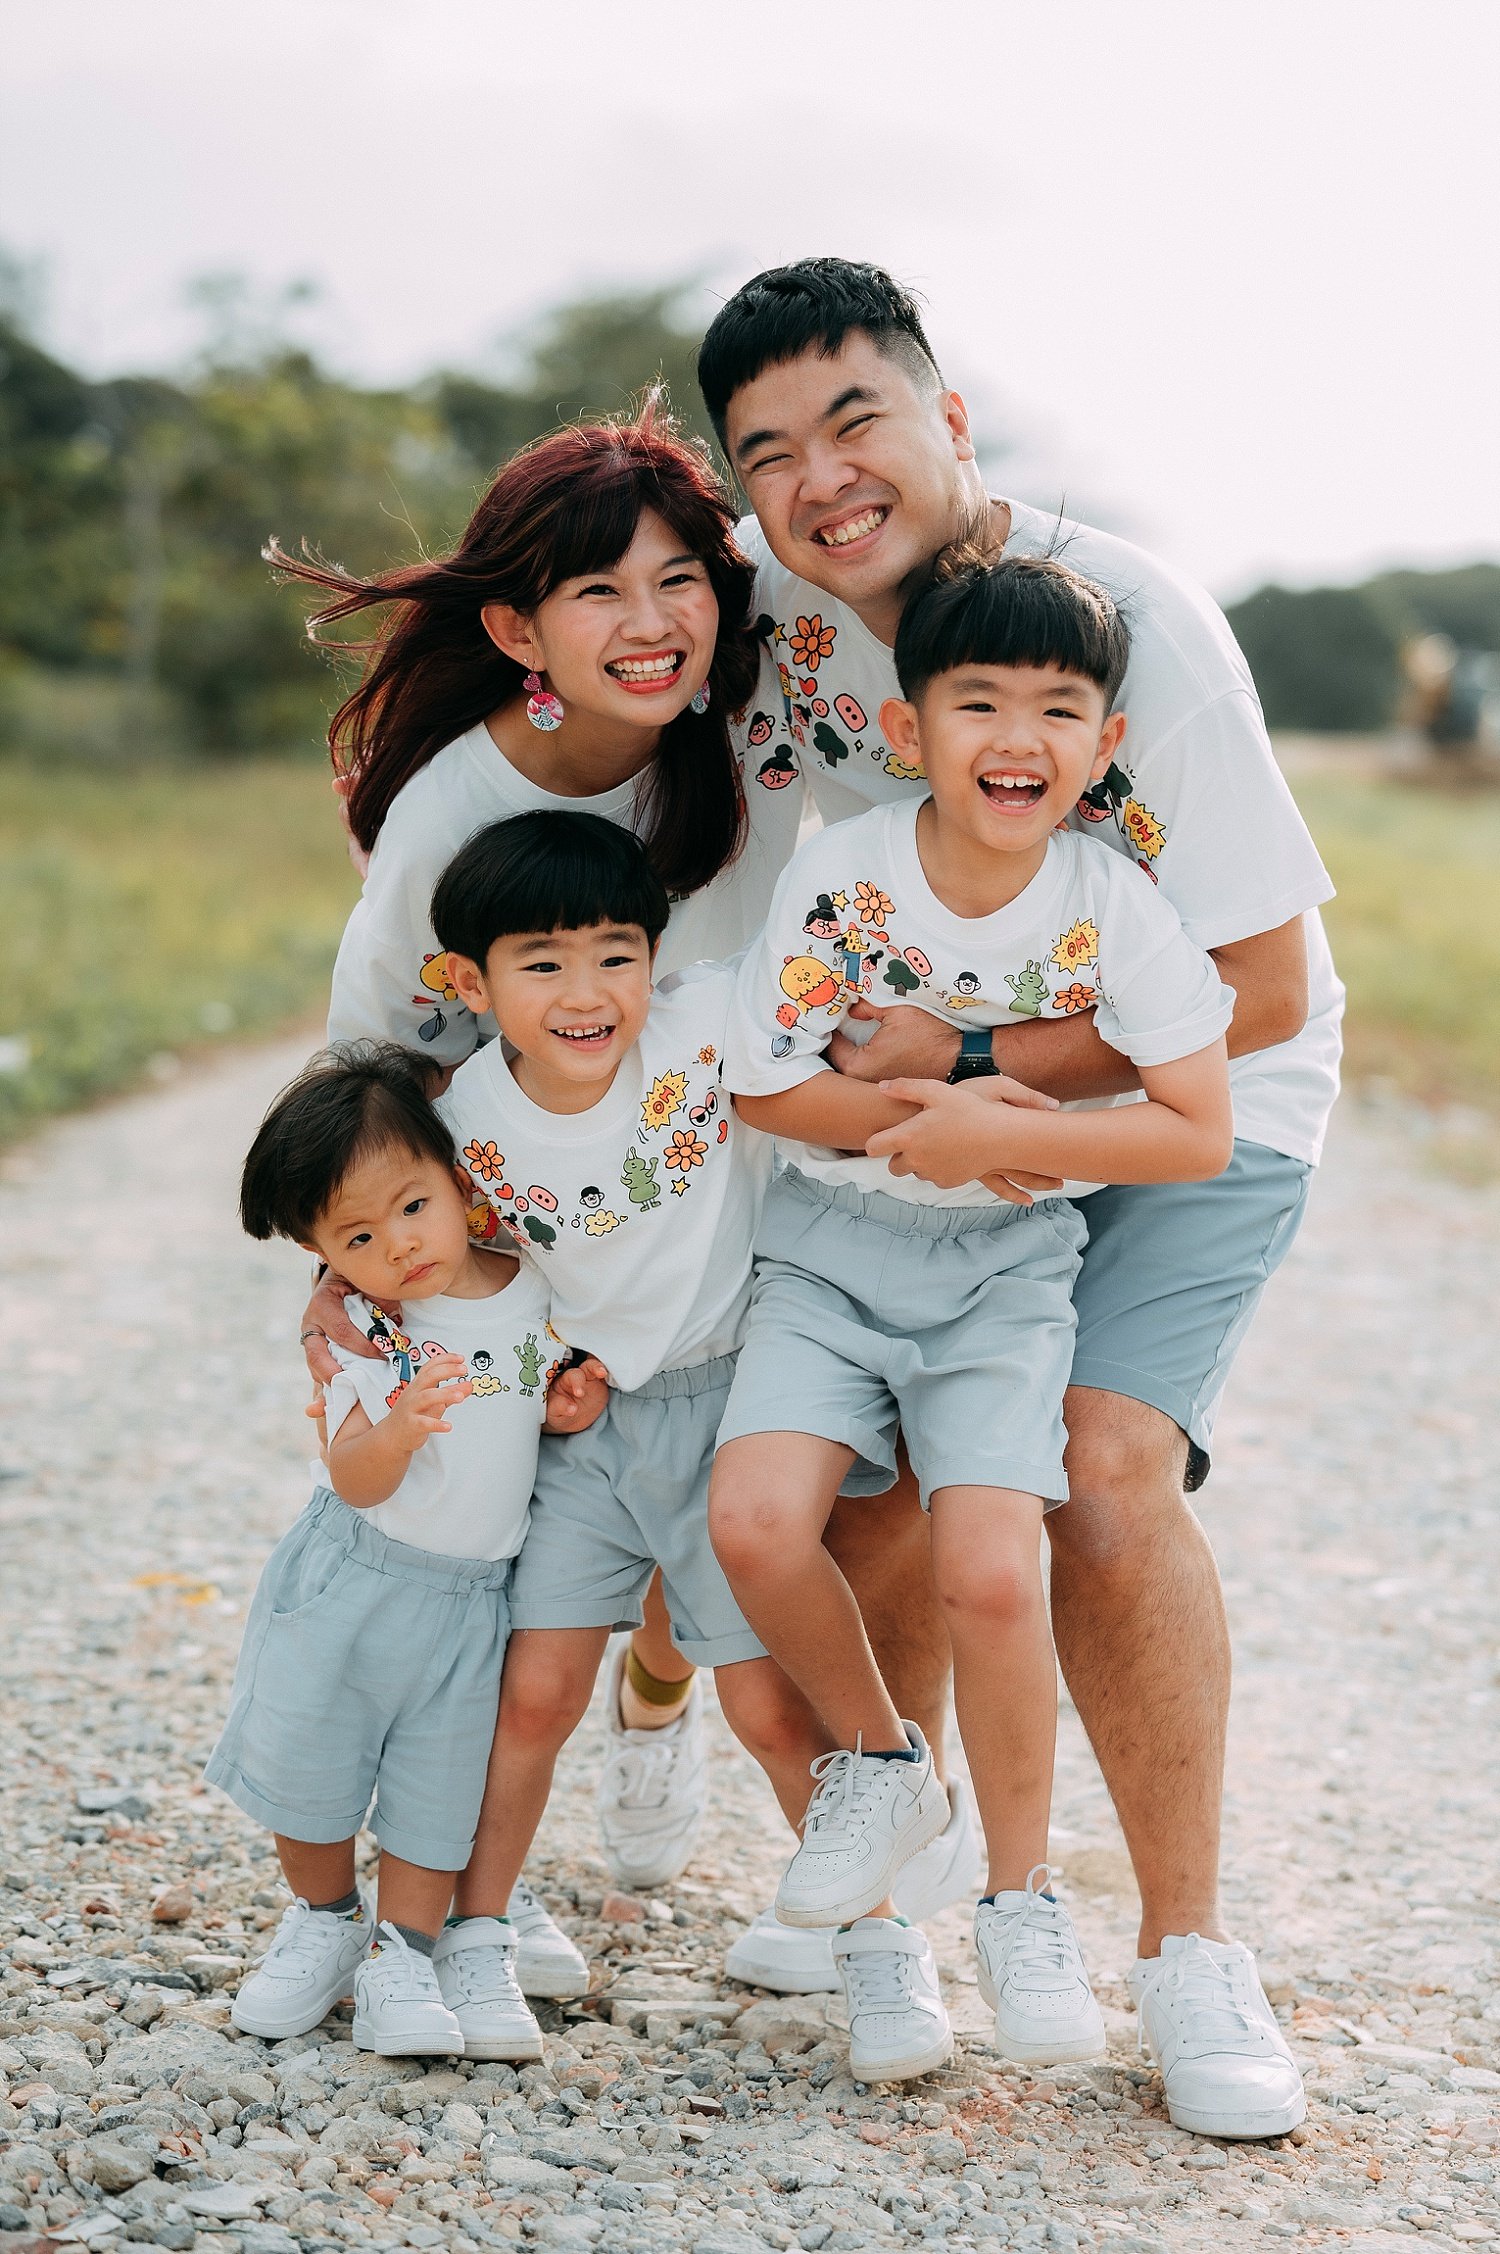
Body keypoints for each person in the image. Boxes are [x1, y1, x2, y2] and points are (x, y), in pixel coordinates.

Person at [692, 258, 1340, 2139]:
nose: (820, 478)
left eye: (855, 417)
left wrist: (978, 1082)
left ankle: (1189, 1951)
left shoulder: (1138, 627)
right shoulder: (791, 630)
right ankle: (888, 1888)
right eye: (768, 455)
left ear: (951, 416)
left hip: (1197, 1086)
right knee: (869, 1466)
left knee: (1097, 1463)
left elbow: (1266, 989)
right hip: (924, 1094)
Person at [710, 550, 1236, 2082]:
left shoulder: (1112, 905)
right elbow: (760, 1081)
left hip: (1005, 1274)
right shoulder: (849, 871)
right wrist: (918, 1113)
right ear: (917, 719)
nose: (1020, 735)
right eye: (980, 700)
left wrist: (1003, 1130)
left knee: (997, 1567)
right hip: (832, 1246)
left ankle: (1022, 1896)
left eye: (1060, 708)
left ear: (1104, 745)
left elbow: (1196, 1128)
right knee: (757, 1522)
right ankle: (881, 1761)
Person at [289, 406, 819, 1916]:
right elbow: (371, 1057)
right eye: (599, 592)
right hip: (540, 1205)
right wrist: (358, 1281)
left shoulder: (748, 737)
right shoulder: (460, 806)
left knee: (718, 1500)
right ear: (519, 624)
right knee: (537, 1524)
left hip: (731, 1188)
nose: (652, 627)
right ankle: (443, 1886)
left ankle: (660, 1704)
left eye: (680, 581)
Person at [426, 809, 843, 2054]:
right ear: (471, 981)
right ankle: (477, 1929)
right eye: (540, 962)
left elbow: (828, 946)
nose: (585, 990)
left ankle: (867, 1937)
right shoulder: (464, 1124)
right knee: (535, 1690)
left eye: (616, 951)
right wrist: (549, 1367)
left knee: (772, 1707)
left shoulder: (701, 1023)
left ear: (655, 958)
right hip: (590, 1425)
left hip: (731, 1401)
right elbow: (474, 1267)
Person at [206, 1044, 606, 2058]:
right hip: (360, 1576)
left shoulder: (533, 1287)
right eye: (360, 1234)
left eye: (412, 1207)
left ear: (458, 1179)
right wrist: (396, 1427)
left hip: (474, 1601)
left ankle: (405, 1947)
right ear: (325, 1252)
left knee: (438, 1790)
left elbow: (527, 1417)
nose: (400, 1245)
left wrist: (562, 1409)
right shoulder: (370, 1330)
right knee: (312, 1764)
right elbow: (354, 1472)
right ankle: (325, 1916)